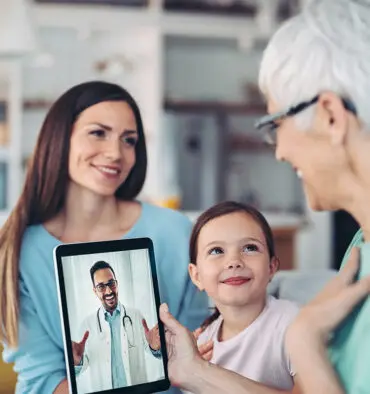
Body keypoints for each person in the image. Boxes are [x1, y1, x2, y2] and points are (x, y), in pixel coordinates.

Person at [158, 1, 370, 393]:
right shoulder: (360, 248)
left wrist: (303, 339)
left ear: (329, 117)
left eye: (275, 124)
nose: (278, 151)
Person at [0, 81, 209, 394]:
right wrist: (85, 376)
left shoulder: (178, 233)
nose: (116, 153)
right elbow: (39, 379)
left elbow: (207, 348)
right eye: (98, 132)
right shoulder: (21, 252)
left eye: (129, 140)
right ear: (61, 139)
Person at [188, 201, 299, 391]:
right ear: (196, 276)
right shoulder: (202, 344)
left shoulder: (293, 323)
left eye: (249, 248)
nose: (234, 262)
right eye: (216, 251)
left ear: (272, 267)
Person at [72, 261, 161, 391]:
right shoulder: (86, 325)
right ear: (95, 291)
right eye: (101, 287)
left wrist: (154, 347)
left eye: (111, 284)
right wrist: (77, 362)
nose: (108, 291)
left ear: (117, 284)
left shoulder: (136, 316)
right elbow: (80, 369)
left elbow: (152, 352)